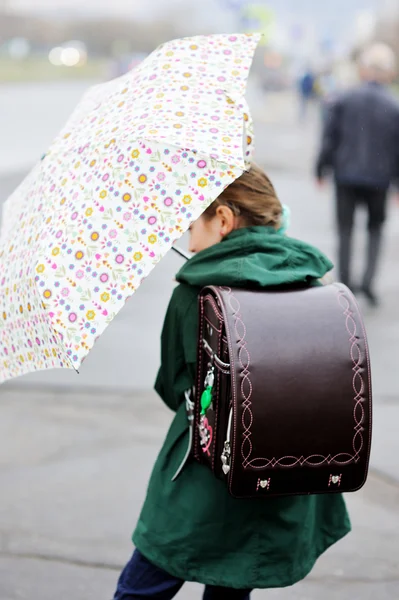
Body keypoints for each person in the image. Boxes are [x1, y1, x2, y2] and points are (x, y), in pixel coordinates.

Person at [113, 165, 351, 600]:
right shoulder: (314, 283)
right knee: (231, 587)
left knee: (139, 589)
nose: (189, 243)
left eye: (192, 226)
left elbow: (172, 388)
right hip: (283, 483)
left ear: (223, 219)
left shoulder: (195, 294)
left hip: (203, 482)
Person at [316, 43, 399, 306]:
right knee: (375, 229)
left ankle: (346, 284)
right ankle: (368, 282)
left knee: (345, 230)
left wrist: (321, 168)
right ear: (388, 72)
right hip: (380, 178)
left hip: (346, 174)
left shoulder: (344, 98)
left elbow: (330, 137)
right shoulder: (393, 106)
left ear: (364, 69)